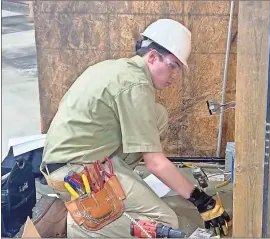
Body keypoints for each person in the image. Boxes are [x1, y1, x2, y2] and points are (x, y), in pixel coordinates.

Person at [40, 19, 231, 237]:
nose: (175, 76)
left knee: (157, 115)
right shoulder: (136, 85)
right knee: (165, 223)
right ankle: (77, 223)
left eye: (179, 69)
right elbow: (155, 162)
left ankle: (115, 188)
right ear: (151, 57)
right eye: (173, 65)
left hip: (70, 159)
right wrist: (200, 200)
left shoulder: (117, 68)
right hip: (73, 173)